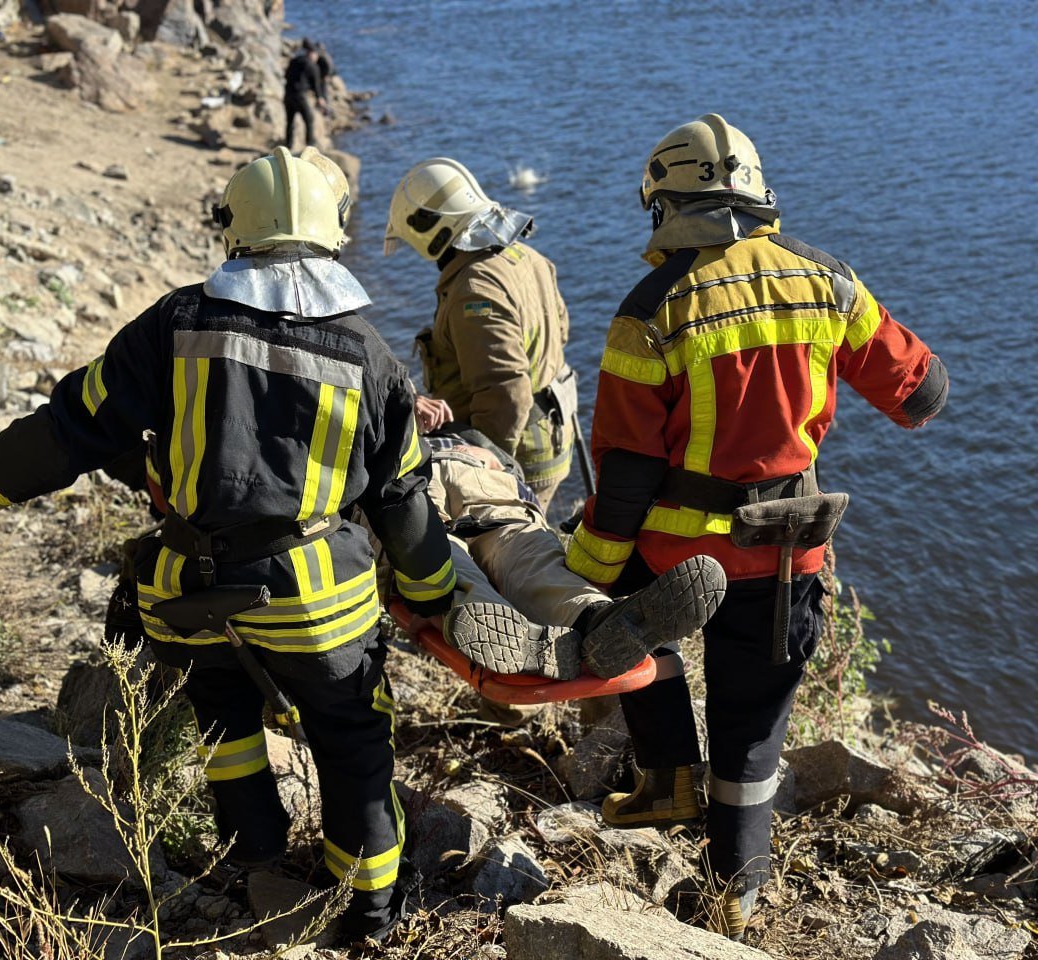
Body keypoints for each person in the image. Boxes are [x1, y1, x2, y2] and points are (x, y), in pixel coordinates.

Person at [0, 146, 461, 943]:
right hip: (314, 605)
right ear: (332, 232)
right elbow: (402, 502)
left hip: (185, 592)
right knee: (352, 735)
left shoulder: (174, 323)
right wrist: (433, 597)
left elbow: (70, 428)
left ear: (233, 226)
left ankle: (252, 849)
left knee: (222, 707)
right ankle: (369, 911)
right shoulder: (370, 356)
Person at [566, 114, 949, 939]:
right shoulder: (827, 280)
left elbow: (627, 472)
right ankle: (735, 894)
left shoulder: (651, 310)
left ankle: (667, 773)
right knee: (754, 727)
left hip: (675, 548)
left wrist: (589, 566)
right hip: (785, 550)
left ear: (665, 205)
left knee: (632, 623)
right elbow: (921, 394)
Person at [408, 429, 727, 684]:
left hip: (458, 466)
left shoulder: (410, 401)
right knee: (478, 546)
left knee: (513, 545)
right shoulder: (388, 395)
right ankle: (549, 625)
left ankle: (595, 619)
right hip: (418, 474)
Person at [384, 158, 576, 515]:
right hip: (547, 435)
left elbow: (506, 392)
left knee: (504, 557)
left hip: (515, 452)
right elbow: (560, 330)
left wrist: (488, 470)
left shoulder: (474, 289)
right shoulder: (523, 256)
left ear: (431, 230)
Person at [283, 42, 325, 149]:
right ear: (312, 54)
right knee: (309, 118)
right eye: (316, 55)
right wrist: (319, 97)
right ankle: (310, 144)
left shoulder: (295, 60)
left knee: (290, 121)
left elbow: (286, 75)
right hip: (299, 95)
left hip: (288, 93)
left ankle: (288, 145)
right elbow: (316, 84)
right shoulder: (312, 66)